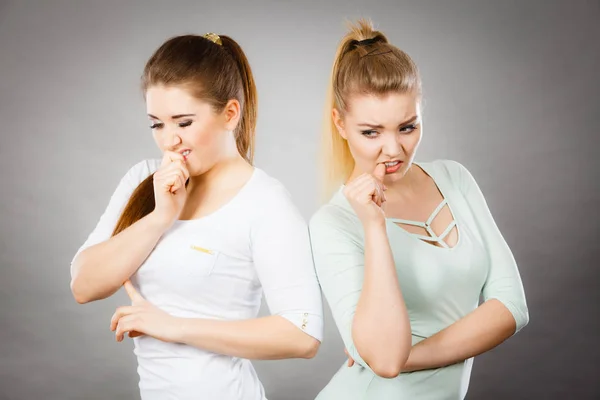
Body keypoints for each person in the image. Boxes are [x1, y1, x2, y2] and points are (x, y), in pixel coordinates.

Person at [70, 33, 323, 400]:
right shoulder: (144, 180)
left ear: (230, 114)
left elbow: (303, 334)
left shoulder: (265, 202)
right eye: (156, 124)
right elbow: (83, 285)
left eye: (183, 122)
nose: (169, 140)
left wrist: (175, 327)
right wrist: (159, 217)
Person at [309, 19, 529, 399]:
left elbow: (512, 307)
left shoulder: (454, 179)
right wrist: (375, 227)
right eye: (371, 132)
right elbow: (384, 361)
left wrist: (402, 357)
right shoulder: (334, 223)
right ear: (340, 124)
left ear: (421, 112)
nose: (393, 150)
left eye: (407, 127)